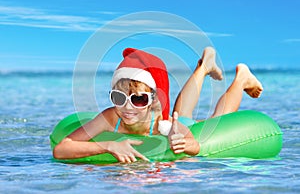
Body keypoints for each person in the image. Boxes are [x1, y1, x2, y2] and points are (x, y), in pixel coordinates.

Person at [53, 47, 263, 163]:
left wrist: (183, 145)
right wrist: (108, 145)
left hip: (179, 124)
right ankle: (203, 67)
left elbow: (196, 146)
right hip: (176, 118)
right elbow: (62, 148)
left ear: (153, 100)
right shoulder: (111, 117)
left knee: (215, 119)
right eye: (119, 97)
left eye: (138, 99)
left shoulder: (163, 125)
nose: (128, 107)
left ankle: (241, 80)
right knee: (182, 111)